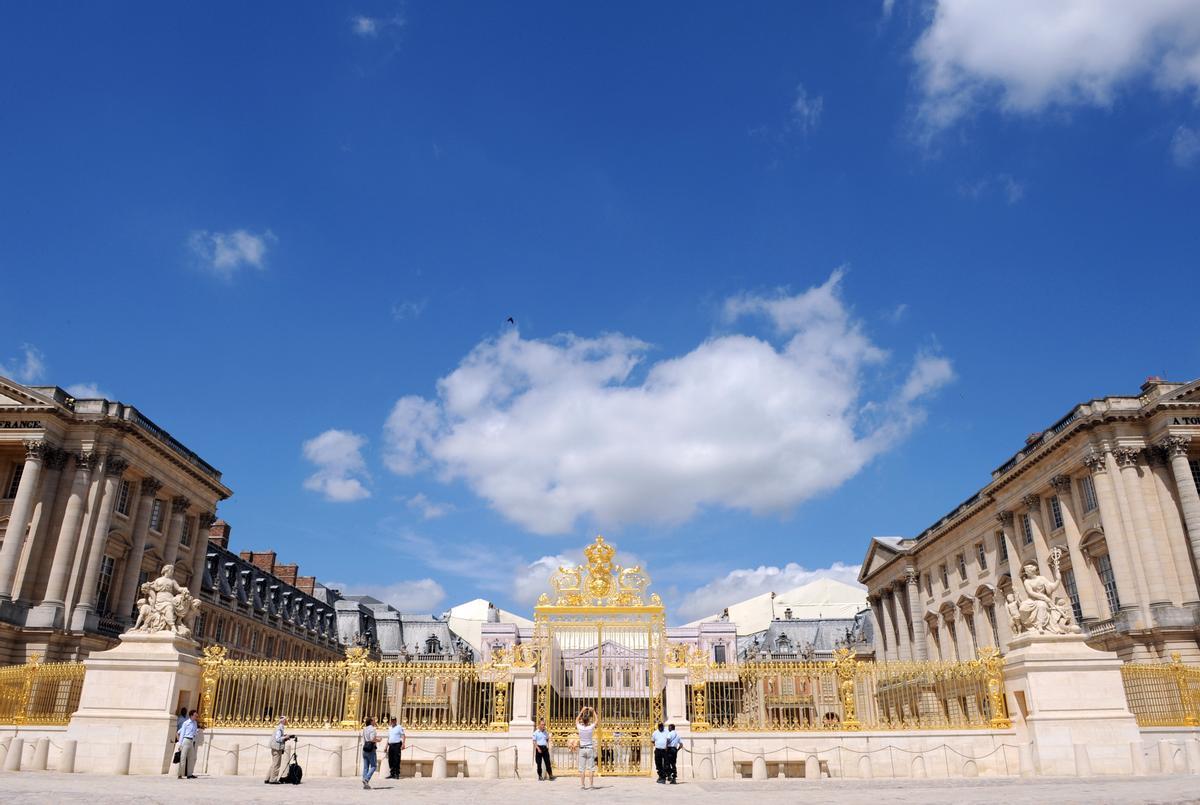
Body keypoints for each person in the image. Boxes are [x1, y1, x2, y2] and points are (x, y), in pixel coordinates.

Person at [265, 715, 294, 784]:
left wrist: (285, 737)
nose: (286, 721)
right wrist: (286, 737)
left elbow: (278, 737)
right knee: (277, 765)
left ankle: (268, 778)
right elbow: (278, 739)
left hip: (275, 748)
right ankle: (273, 780)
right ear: (283, 721)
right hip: (277, 748)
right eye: (286, 720)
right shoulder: (279, 728)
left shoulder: (279, 728)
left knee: (274, 764)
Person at [575, 706, 596, 790]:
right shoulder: (590, 727)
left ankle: (583, 785)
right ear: (588, 721)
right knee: (591, 768)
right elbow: (597, 720)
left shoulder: (580, 727)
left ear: (582, 721)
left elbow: (576, 720)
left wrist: (582, 711)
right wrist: (593, 711)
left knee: (582, 769)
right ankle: (591, 785)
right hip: (590, 748)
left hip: (582, 749)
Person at [176, 709, 199, 779]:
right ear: (191, 715)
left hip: (191, 741)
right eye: (195, 715)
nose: (196, 717)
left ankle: (189, 774)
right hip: (186, 740)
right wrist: (180, 744)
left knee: (191, 758)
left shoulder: (195, 723)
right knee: (183, 757)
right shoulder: (186, 723)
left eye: (197, 716)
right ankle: (180, 774)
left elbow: (195, 733)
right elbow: (182, 733)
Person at [362, 717, 382, 789]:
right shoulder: (372, 729)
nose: (375, 721)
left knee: (365, 767)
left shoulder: (364, 729)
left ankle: (365, 783)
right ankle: (366, 779)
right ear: (371, 721)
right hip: (371, 749)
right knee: (374, 766)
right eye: (374, 720)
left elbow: (365, 739)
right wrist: (379, 740)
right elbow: (372, 739)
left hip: (365, 748)